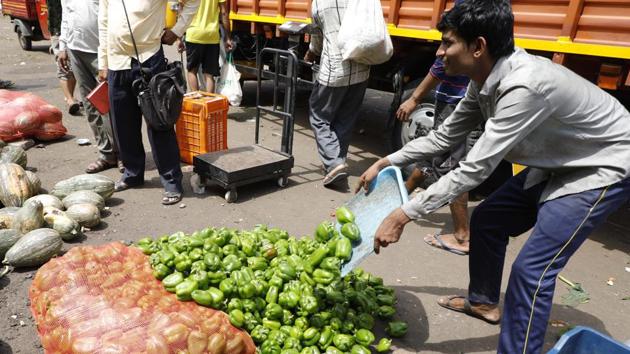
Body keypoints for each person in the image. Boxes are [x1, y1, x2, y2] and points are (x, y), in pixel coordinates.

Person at [357, 1, 630, 353]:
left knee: (532, 273)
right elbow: (444, 136)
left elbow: (475, 169)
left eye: (447, 42)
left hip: (602, 164)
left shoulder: (523, 87)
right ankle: (484, 302)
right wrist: (386, 160)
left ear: (478, 46)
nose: (439, 53)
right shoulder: (483, 80)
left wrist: (403, 214)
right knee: (488, 219)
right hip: (561, 159)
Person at [98, 0, 200, 205]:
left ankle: (172, 181)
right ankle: (132, 173)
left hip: (149, 59)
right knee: (123, 123)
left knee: (159, 122)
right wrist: (103, 62)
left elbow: (193, 2)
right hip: (117, 63)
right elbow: (104, 23)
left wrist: (177, 30)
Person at [397, 55, 480, 255]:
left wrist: (414, 99)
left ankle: (462, 235)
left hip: (457, 104)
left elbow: (438, 67)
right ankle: (397, 201)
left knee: (454, 168)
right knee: (433, 155)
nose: (441, 51)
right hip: (458, 101)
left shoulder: (462, 34)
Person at [304, 0, 370, 187]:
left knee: (319, 116)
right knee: (345, 118)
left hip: (335, 69)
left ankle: (334, 163)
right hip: (362, 67)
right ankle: (337, 163)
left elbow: (317, 39)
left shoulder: (319, 3)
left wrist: (310, 53)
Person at [59, 0, 120, 174]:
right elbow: (66, 15)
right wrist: (63, 45)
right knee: (90, 104)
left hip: (101, 51)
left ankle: (122, 153)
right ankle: (106, 154)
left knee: (109, 104)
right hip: (75, 50)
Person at [183, 0, 233, 92]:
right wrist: (228, 37)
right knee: (209, 74)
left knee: (192, 71)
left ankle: (196, 100)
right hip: (212, 36)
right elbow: (224, 13)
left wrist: (179, 35)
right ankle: (208, 103)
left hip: (194, 34)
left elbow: (180, 9)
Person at [47, 0, 80, 115]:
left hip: (73, 33)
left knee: (74, 68)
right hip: (58, 31)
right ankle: (70, 99)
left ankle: (70, 97)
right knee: (63, 66)